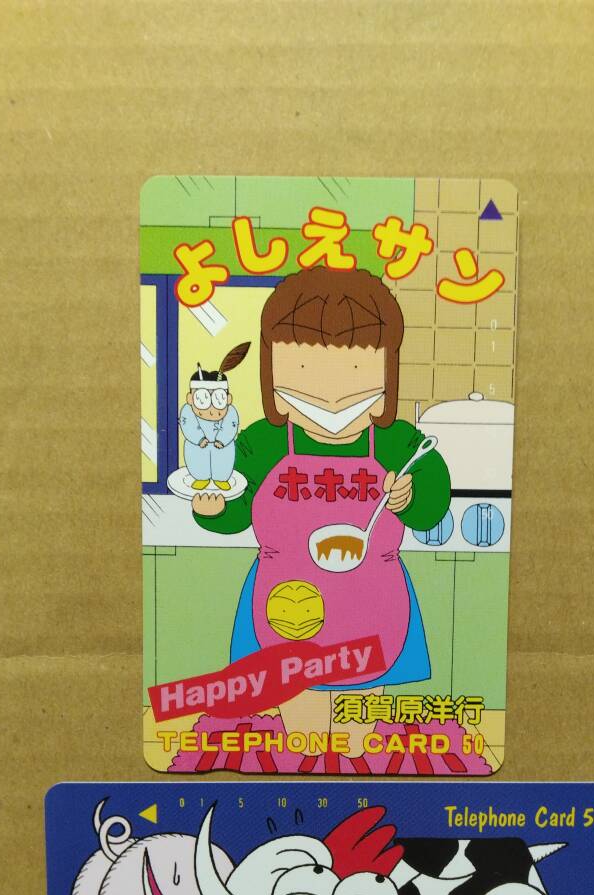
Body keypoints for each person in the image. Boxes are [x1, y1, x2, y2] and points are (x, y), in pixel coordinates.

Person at [192, 267, 450, 755]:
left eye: (354, 370)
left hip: (371, 606)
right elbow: (234, 506)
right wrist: (213, 506)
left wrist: (411, 496)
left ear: (386, 372)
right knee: (305, 738)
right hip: (285, 606)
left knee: (356, 742)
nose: (330, 392)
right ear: (272, 371)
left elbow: (433, 501)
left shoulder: (397, 442)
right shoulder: (263, 442)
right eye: (305, 369)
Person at [179, 343, 248, 490]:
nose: (211, 409)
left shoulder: (230, 412)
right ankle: (200, 477)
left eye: (218, 399)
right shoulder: (188, 411)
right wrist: (199, 439)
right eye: (202, 399)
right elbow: (187, 424)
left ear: (228, 399)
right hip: (197, 446)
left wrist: (222, 440)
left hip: (222, 447)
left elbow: (231, 425)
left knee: (223, 460)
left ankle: (221, 478)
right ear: (190, 399)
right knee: (197, 459)